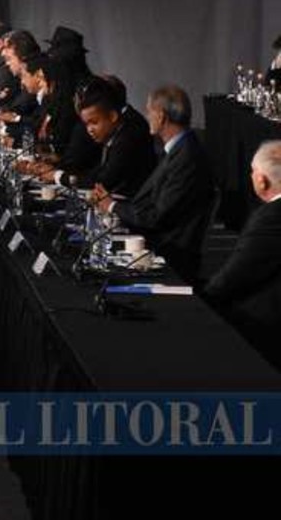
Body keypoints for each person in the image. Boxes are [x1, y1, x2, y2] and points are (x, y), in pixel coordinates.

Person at [93, 85, 215, 282]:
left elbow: (157, 216)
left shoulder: (187, 157)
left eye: (149, 111)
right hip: (157, 240)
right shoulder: (177, 149)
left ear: (161, 116)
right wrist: (113, 200)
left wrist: (112, 206)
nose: (147, 116)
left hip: (170, 252)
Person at [203, 141, 281, 353]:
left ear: (261, 180)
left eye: (253, 171)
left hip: (264, 325)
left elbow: (238, 273)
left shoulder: (270, 218)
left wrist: (203, 300)